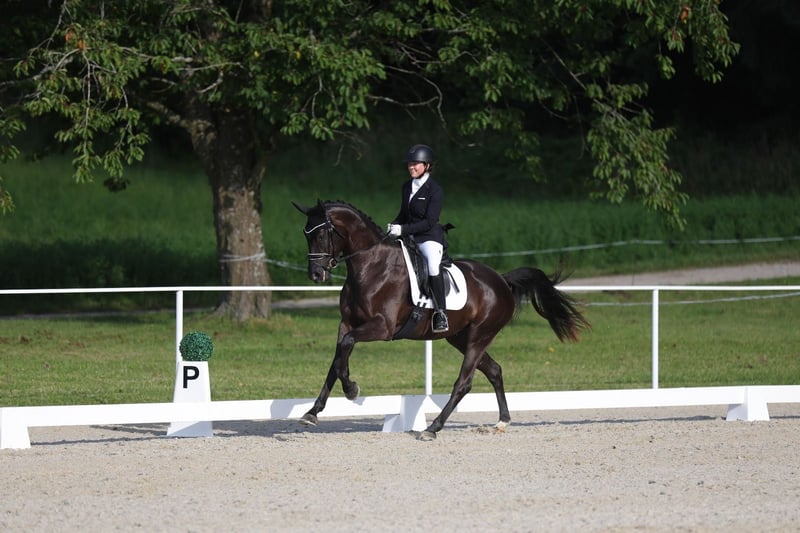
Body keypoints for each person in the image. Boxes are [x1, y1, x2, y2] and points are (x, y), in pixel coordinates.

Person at [387, 144, 449, 333]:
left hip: (429, 238)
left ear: (427, 165)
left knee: (432, 265)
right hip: (409, 237)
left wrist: (403, 229)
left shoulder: (435, 190)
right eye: (409, 164)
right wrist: (392, 226)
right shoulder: (407, 186)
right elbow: (403, 214)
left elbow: (430, 222)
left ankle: (441, 313)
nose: (411, 167)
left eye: (415, 164)